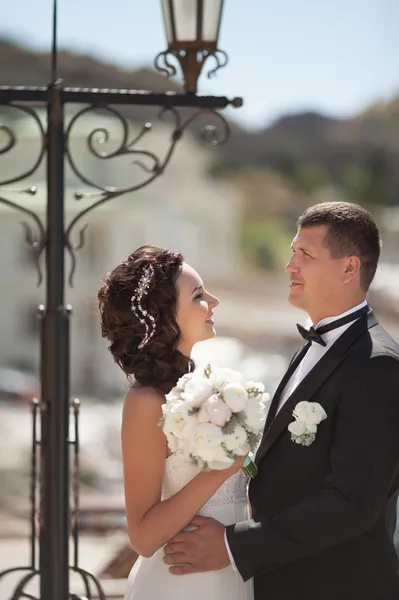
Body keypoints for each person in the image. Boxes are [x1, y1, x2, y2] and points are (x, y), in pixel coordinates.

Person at [163, 202, 399, 600]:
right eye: (292, 253)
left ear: (349, 268)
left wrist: (233, 546)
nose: (290, 266)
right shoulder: (309, 349)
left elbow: (352, 502)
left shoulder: (377, 365)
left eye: (305, 255)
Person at [98, 244, 254, 600]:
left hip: (232, 574)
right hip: (180, 583)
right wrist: (219, 471)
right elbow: (143, 536)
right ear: (164, 315)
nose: (213, 301)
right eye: (199, 295)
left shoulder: (209, 388)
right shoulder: (145, 402)